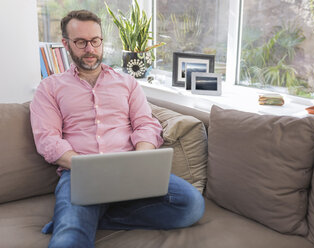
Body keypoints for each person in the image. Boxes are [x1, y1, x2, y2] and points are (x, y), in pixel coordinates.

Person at [30, 10, 204, 248]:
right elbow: (48, 140)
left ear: (102, 41)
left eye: (95, 41)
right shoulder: (49, 88)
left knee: (191, 204)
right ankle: (72, 222)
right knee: (69, 240)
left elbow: (146, 124)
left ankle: (86, 219)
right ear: (66, 44)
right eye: (80, 42)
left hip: (129, 166)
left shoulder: (128, 84)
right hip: (80, 172)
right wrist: (84, 165)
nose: (90, 49)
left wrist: (142, 159)